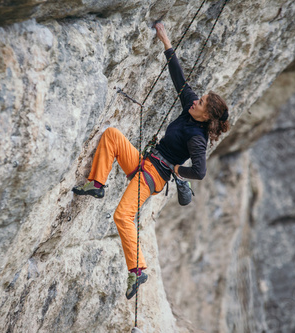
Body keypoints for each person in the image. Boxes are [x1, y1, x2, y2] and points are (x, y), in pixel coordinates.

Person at [72, 22, 230, 299]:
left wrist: (178, 170)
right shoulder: (190, 109)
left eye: (201, 102)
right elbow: (179, 79)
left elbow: (201, 171)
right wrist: (166, 42)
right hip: (144, 163)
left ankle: (138, 269)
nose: (196, 100)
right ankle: (97, 183)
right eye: (200, 98)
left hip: (153, 176)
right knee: (111, 136)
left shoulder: (197, 136)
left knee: (122, 216)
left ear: (206, 116)